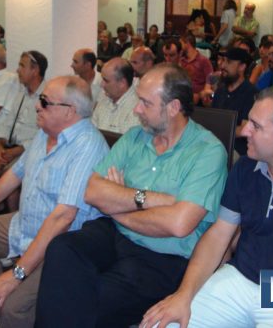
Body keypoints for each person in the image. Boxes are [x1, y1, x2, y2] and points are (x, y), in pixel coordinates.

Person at [140, 85, 273, 328]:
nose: (244, 131)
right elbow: (219, 235)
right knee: (165, 323)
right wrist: (183, 295)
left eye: (256, 126)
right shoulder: (247, 167)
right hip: (240, 279)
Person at [35, 64, 228, 328]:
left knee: (88, 299)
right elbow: (92, 191)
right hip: (114, 233)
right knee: (62, 248)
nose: (136, 109)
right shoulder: (136, 137)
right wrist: (149, 199)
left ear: (173, 108)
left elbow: (178, 224)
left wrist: (117, 204)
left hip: (162, 256)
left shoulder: (207, 152)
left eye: (145, 103)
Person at [0, 76, 108, 327]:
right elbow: (12, 177)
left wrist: (15, 276)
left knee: (14, 308)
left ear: (70, 111)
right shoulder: (44, 133)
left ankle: (5, 312)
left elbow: (63, 217)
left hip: (59, 244)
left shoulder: (87, 146)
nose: (37, 105)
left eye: (45, 101)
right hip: (26, 223)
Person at [0, 50, 47, 211]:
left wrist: (19, 149)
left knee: (9, 178)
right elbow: (8, 121)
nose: (17, 70)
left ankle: (12, 220)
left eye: (22, 66)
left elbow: (46, 134)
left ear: (35, 70)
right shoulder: (21, 92)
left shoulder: (47, 95)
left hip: (31, 150)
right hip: (11, 148)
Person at [207, 47, 258, 157]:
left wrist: (219, 132)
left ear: (242, 67)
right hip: (215, 143)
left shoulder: (250, 93)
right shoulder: (221, 90)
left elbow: (245, 129)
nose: (223, 65)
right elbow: (213, 119)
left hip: (236, 148)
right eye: (224, 60)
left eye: (228, 62)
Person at [92, 57, 139, 134]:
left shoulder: (137, 109)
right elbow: (92, 132)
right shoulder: (104, 98)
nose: (101, 84)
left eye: (106, 80)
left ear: (122, 83)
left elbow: (127, 144)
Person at [179, 34, 213, 103]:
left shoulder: (203, 60)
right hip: (183, 95)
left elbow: (209, 80)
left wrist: (203, 95)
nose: (180, 46)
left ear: (187, 43)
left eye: (181, 43)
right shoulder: (181, 61)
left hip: (199, 96)